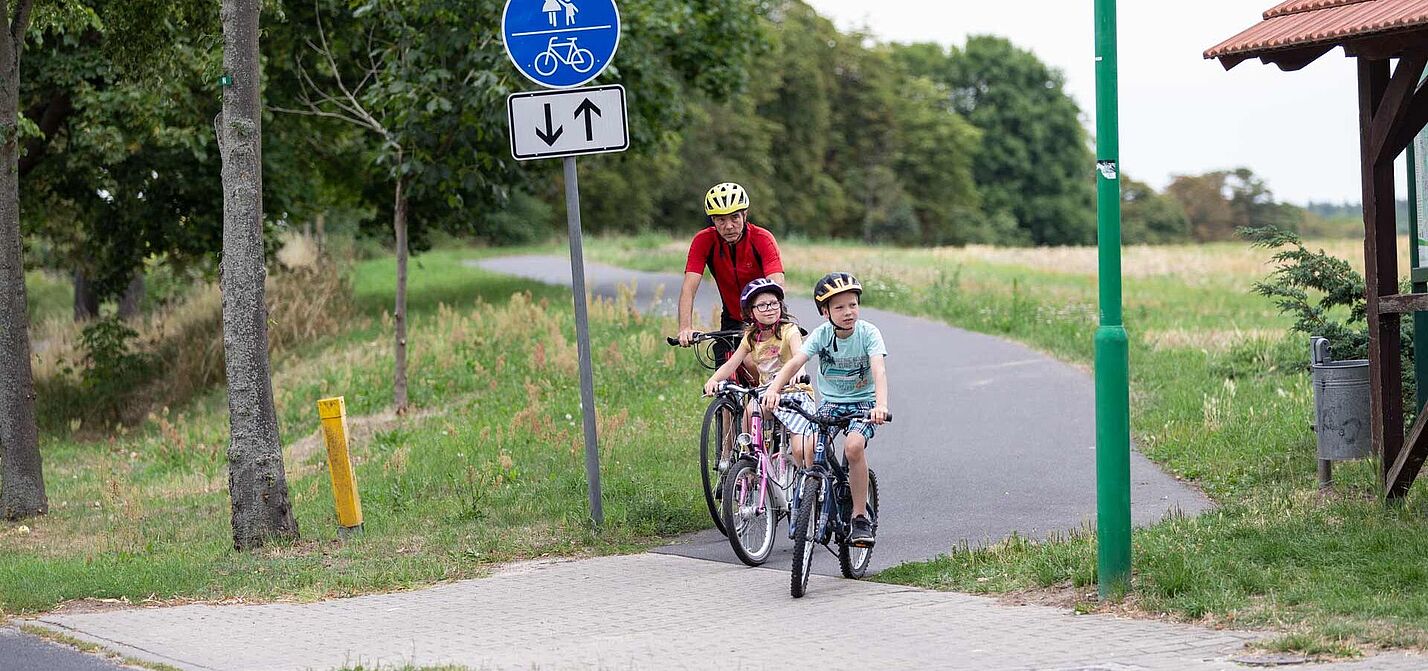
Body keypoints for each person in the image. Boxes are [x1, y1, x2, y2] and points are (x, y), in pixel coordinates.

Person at [763, 272, 889, 547]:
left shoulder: (868, 333)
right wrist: (774, 389)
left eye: (852, 305)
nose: (848, 312)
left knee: (853, 447)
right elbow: (796, 362)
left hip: (864, 404)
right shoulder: (821, 335)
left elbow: (878, 370)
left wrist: (880, 406)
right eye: (839, 307)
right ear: (825, 312)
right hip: (832, 404)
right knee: (805, 448)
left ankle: (858, 518)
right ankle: (816, 493)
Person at [702, 278, 816, 470]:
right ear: (750, 312)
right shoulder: (751, 337)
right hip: (767, 394)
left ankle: (808, 485)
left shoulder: (789, 330)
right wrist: (713, 380)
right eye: (762, 305)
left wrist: (800, 372)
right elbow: (732, 364)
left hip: (794, 391)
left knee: (801, 449)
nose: (769, 308)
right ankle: (753, 460)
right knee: (750, 411)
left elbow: (799, 356)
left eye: (773, 303)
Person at [677, 183, 786, 374]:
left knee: (754, 364)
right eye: (720, 219)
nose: (728, 226)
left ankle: (765, 401)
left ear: (745, 215)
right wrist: (685, 327)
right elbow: (688, 288)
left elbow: (776, 282)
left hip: (768, 312)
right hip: (733, 317)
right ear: (712, 219)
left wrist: (766, 319)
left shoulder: (762, 239)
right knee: (722, 378)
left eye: (734, 217)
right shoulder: (704, 241)